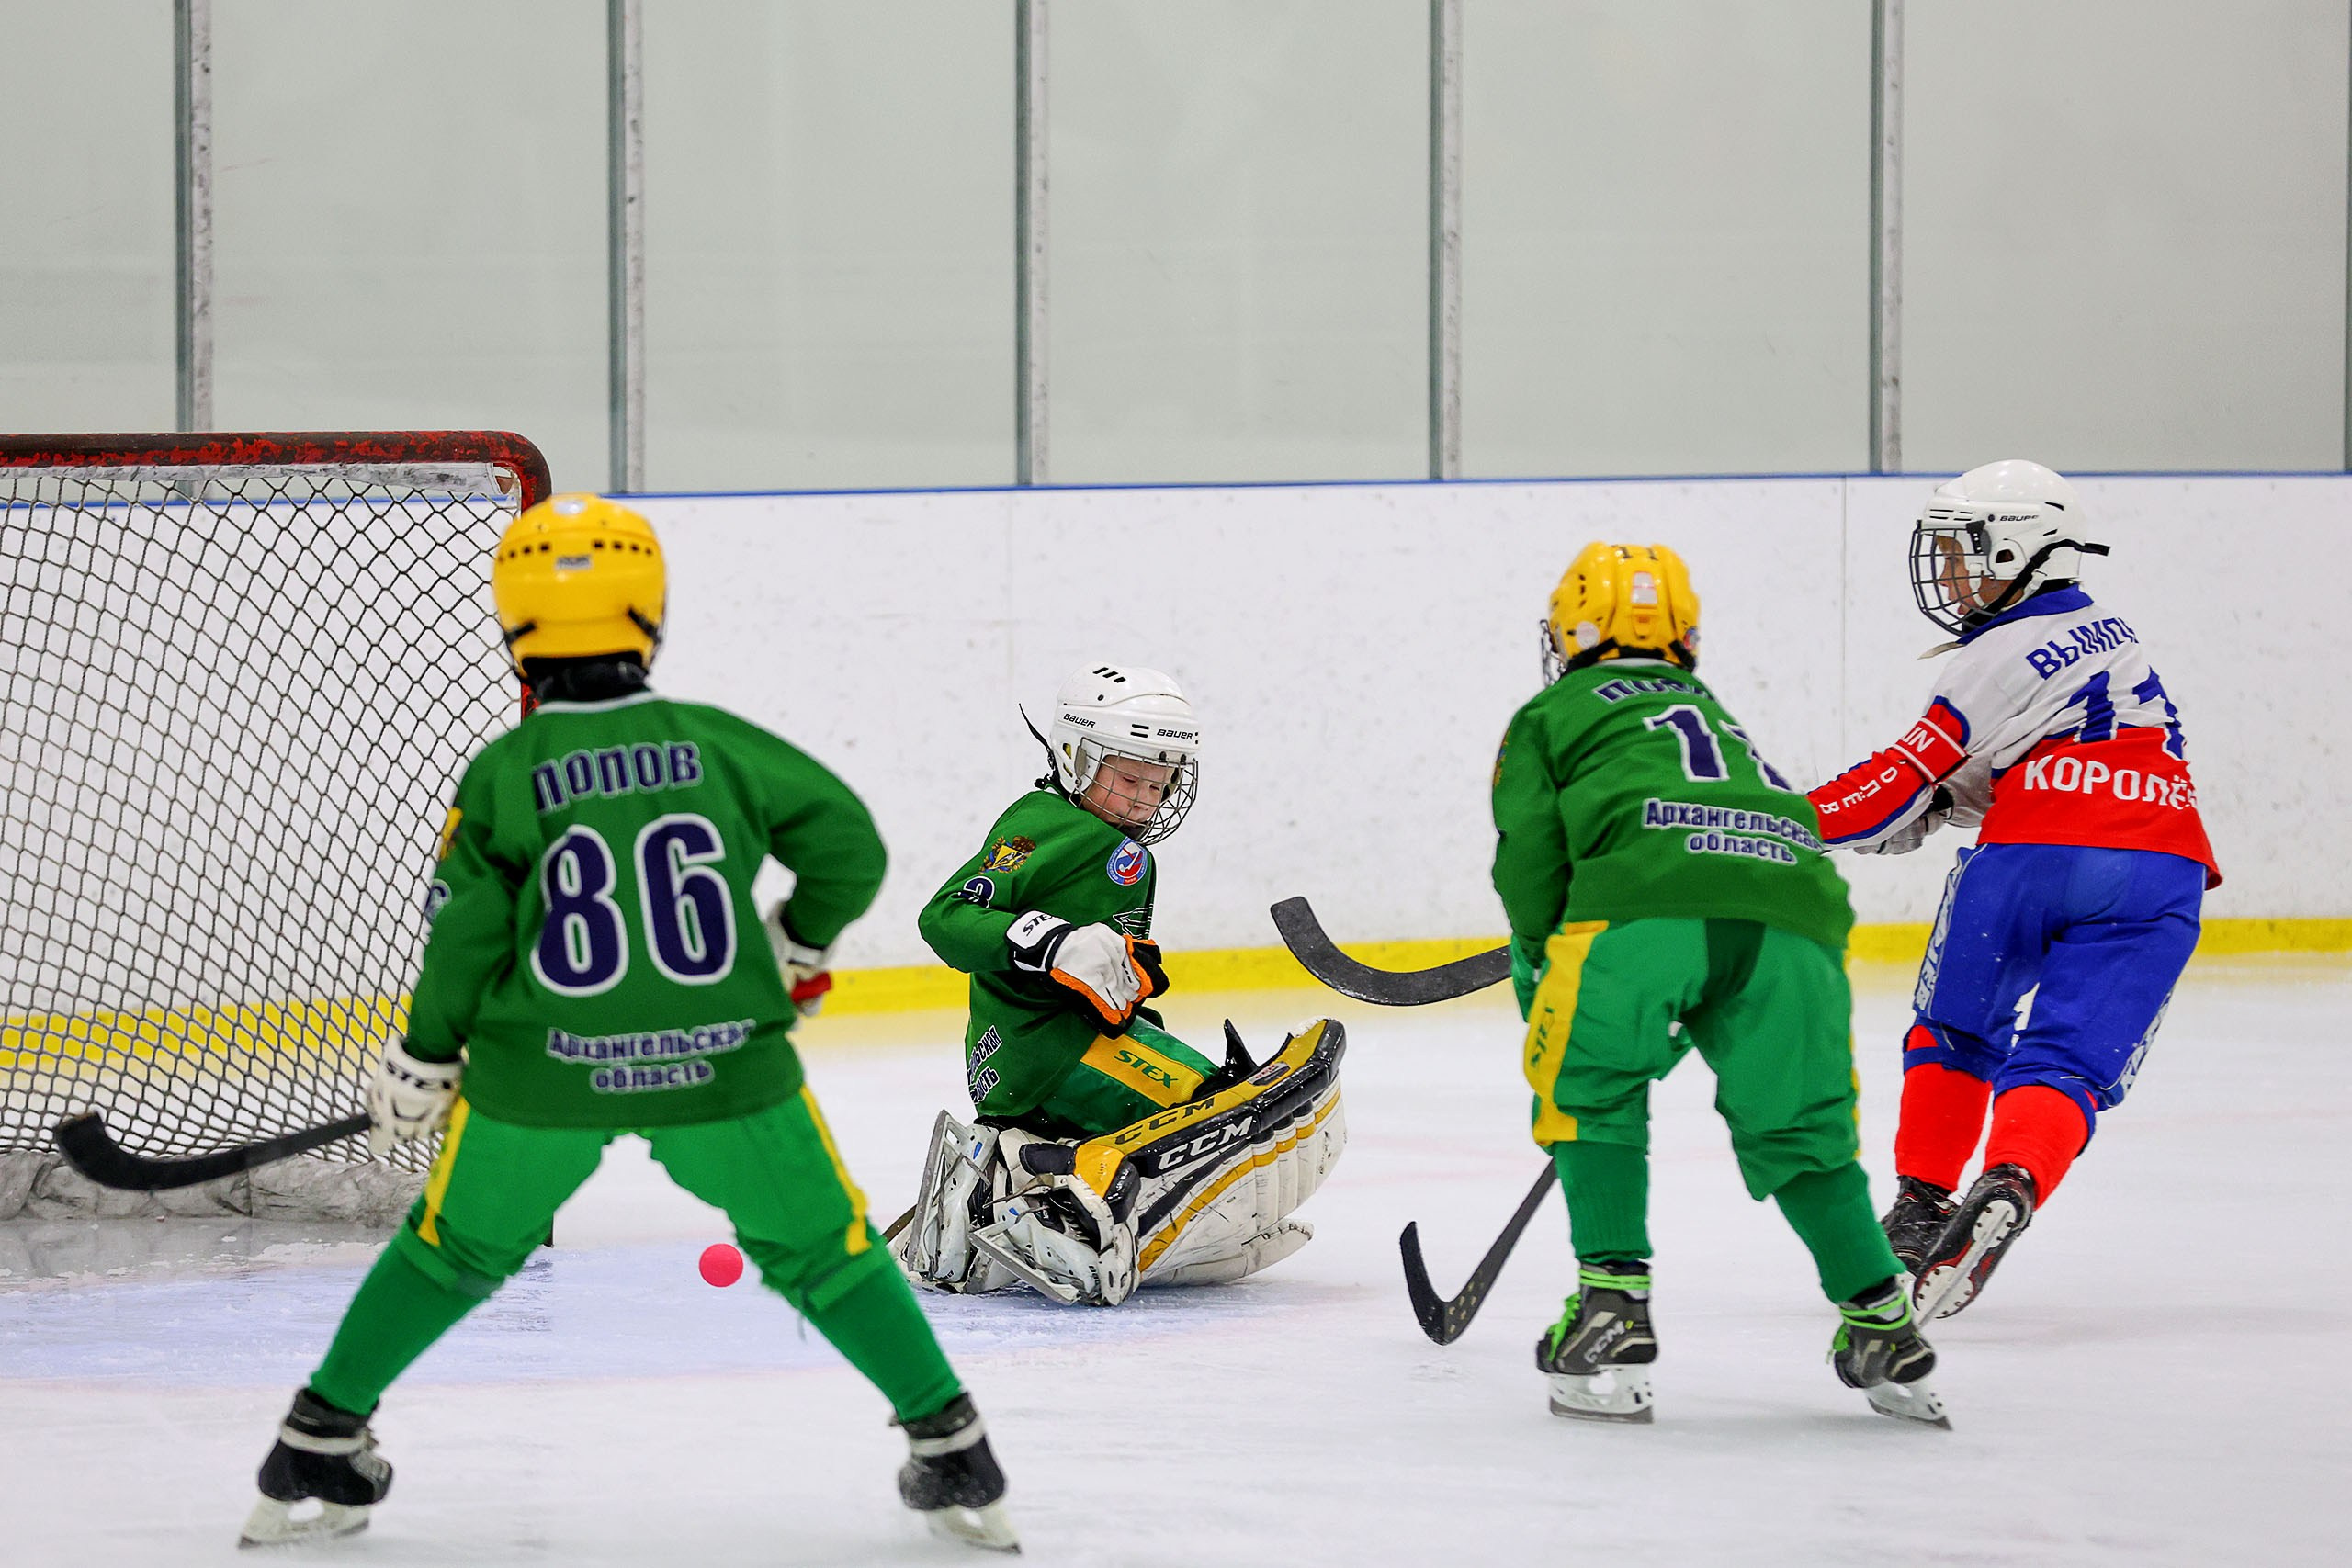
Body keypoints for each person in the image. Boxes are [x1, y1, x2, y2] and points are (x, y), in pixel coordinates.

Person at [238, 494, 1014, 1553]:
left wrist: (425, 1054)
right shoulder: (717, 744)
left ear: (516, 627)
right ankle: (950, 1442)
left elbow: (467, 936)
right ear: (650, 611)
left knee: (451, 1250)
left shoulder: (505, 774)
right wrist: (799, 941)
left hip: (538, 1078)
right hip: (721, 1071)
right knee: (825, 1254)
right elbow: (850, 844)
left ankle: (319, 1437)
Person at [1492, 542, 1945, 1427]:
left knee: (1588, 1092)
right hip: (1798, 920)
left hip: (1642, 909)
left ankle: (1612, 1309)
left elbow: (1530, 866)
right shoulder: (1709, 708)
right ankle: (1882, 1323)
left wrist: (1544, 966)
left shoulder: (1550, 713)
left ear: (1572, 630)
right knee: (1804, 1131)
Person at [1809, 460, 2216, 1322]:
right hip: (2162, 864)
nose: (1950, 574)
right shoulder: (2109, 627)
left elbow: (1895, 783)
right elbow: (2028, 761)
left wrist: (1777, 822)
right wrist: (1934, 803)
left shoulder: (1990, 654)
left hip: (2031, 856)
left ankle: (1921, 1207)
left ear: (2018, 549)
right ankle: (2015, 1177)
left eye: (1964, 553)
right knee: (2066, 1065)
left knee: (1957, 1031)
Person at [892, 664, 1345, 1306]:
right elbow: (945, 918)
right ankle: (1052, 1197)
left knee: (1219, 1108)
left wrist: (1125, 972)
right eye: (1130, 777)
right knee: (1222, 1109)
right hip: (1052, 1051)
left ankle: (1034, 1168)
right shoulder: (1042, 826)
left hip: (1060, 1045)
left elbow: (1097, 971)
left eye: (1160, 783)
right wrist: (1049, 940)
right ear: (1076, 756)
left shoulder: (1112, 845)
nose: (1145, 798)